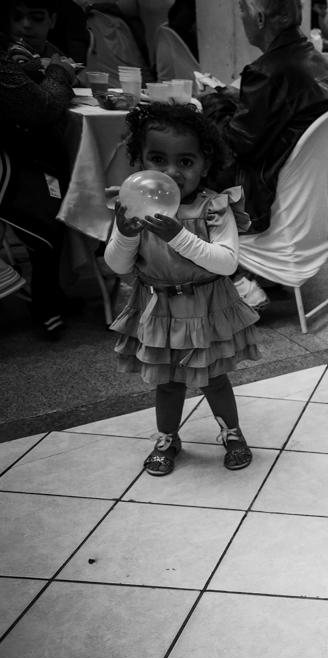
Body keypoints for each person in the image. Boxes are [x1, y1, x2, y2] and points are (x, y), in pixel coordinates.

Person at [104, 104, 260, 476]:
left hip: (206, 306)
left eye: (186, 161)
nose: (171, 172)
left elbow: (226, 262)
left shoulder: (214, 208)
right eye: (158, 159)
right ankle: (167, 438)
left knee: (214, 378)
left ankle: (232, 433)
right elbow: (118, 265)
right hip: (159, 308)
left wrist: (179, 235)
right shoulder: (136, 206)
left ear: (205, 165)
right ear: (141, 160)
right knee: (168, 382)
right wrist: (125, 235)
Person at [202, 0, 328, 237]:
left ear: (260, 19)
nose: (241, 17)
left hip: (262, 198)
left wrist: (211, 102)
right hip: (305, 201)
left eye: (242, 10)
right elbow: (286, 110)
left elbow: (235, 144)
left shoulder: (267, 72)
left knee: (190, 171)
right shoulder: (317, 62)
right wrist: (236, 96)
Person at [0, 26, 79, 339]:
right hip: (9, 163)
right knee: (45, 219)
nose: (23, 25)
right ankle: (46, 304)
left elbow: (13, 80)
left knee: (49, 208)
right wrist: (59, 72)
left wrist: (37, 66)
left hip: (17, 156)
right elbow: (41, 107)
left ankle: (50, 296)